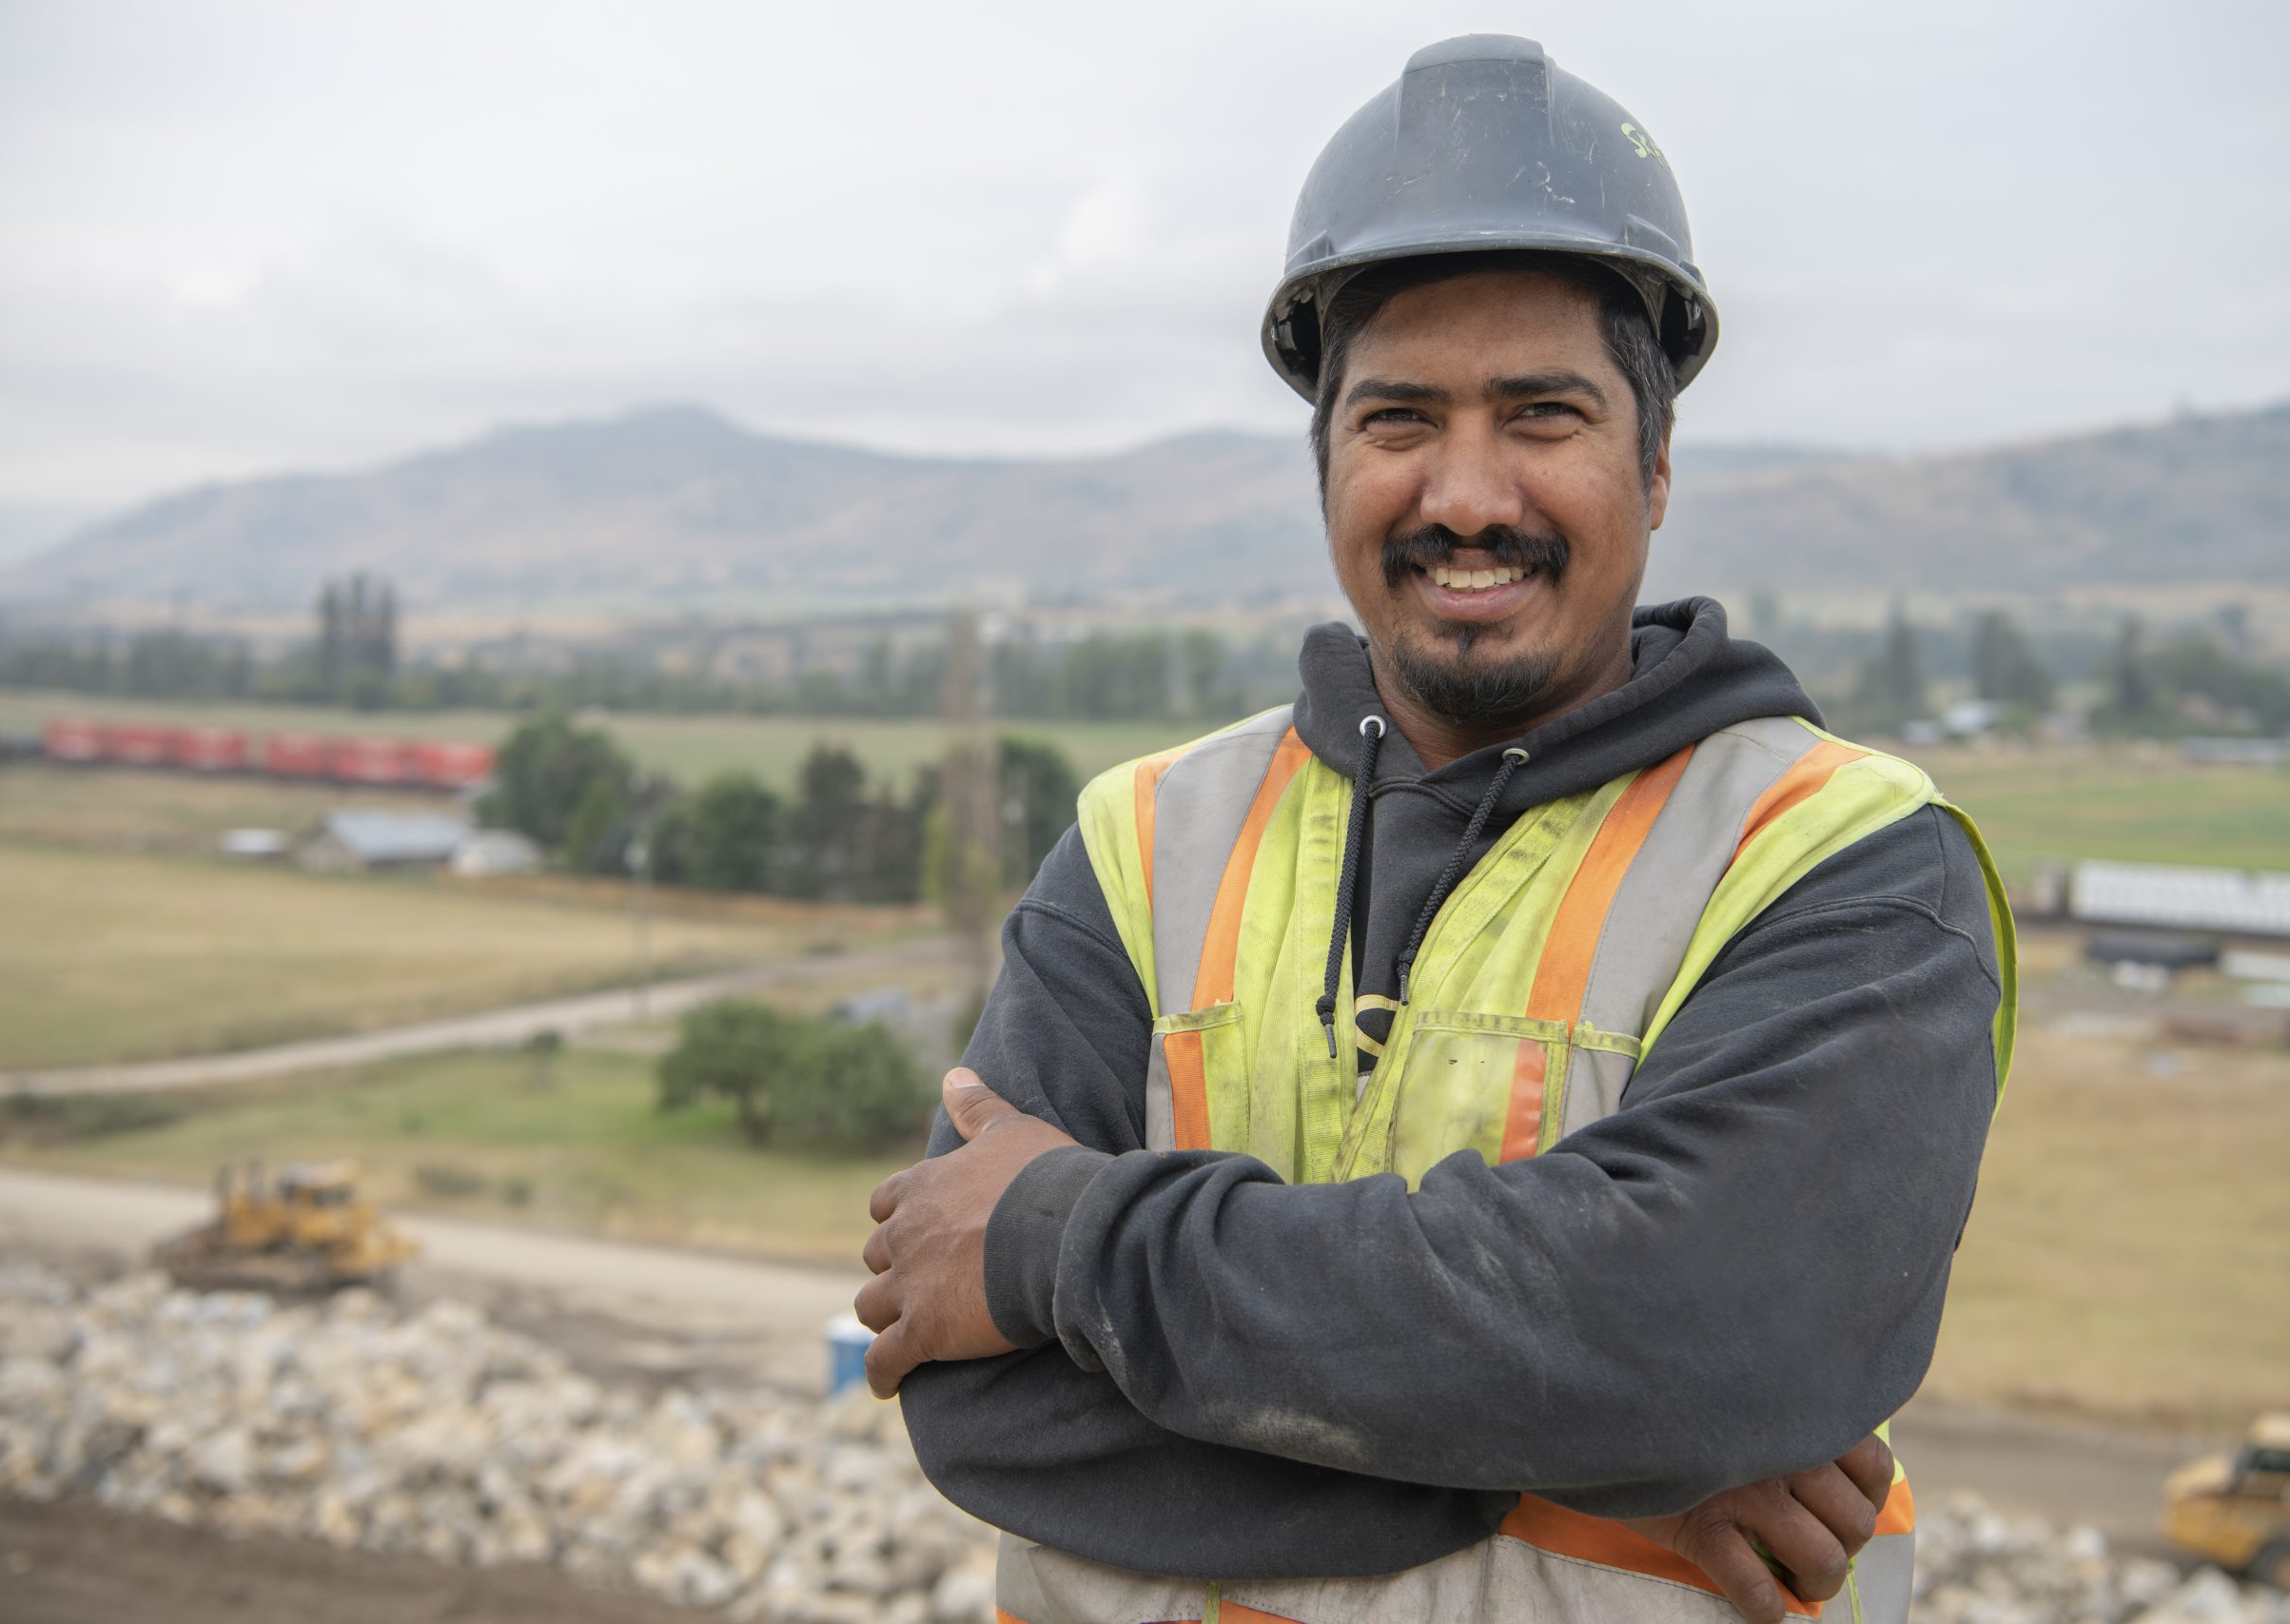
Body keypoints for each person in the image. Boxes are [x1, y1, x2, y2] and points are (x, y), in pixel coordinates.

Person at [855, 34, 2015, 1624]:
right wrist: (1608, 1453)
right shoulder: (1140, 845)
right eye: (1399, 419)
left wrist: (1063, 1249)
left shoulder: (1845, 863)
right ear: (1325, 462)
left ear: (1655, 464)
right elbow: (978, 1402)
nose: (1466, 495)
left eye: (1542, 415)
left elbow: (1697, 1340)